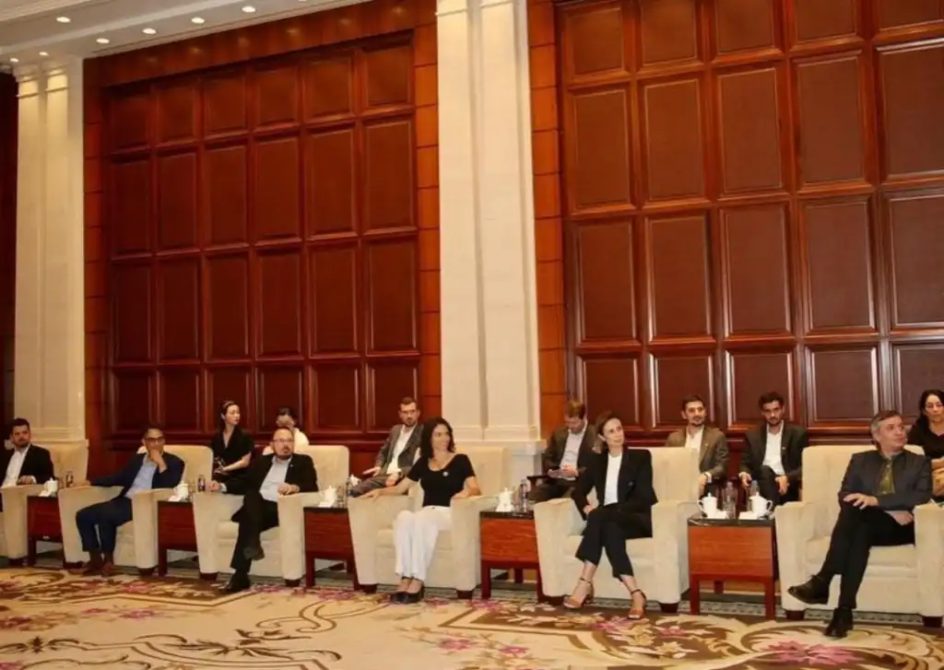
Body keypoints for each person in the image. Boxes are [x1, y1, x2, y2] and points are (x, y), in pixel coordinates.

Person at [787, 410, 931, 638]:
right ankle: (843, 611)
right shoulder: (860, 460)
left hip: (901, 528)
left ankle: (823, 581)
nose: (899, 432)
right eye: (891, 428)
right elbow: (845, 494)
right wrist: (889, 509)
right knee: (859, 527)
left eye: (901, 426)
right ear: (877, 436)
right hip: (870, 522)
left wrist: (877, 501)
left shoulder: (919, 462)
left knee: (857, 518)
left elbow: (920, 496)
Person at [361, 417, 480, 603]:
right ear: (429, 438)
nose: (444, 438)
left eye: (446, 434)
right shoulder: (423, 462)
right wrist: (379, 491)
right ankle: (405, 576)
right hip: (426, 513)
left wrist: (466, 492)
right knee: (404, 517)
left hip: (448, 513)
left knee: (424, 519)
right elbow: (400, 488)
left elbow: (476, 488)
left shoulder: (461, 460)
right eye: (438, 435)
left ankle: (418, 579)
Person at [564, 411, 656, 620]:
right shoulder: (597, 462)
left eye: (619, 429)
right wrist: (585, 507)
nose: (617, 434)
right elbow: (578, 492)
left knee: (600, 518)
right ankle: (636, 593)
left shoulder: (641, 458)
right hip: (608, 521)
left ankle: (584, 583)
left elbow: (644, 497)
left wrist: (605, 511)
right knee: (610, 530)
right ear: (602, 437)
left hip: (636, 518)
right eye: (611, 431)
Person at [208, 426, 318, 593]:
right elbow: (244, 481)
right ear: (272, 445)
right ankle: (246, 561)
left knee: (249, 512)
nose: (285, 445)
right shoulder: (261, 462)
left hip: (281, 509)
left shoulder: (303, 461)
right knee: (253, 497)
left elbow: (311, 486)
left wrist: (294, 487)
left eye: (289, 441)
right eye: (281, 441)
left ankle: (240, 574)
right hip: (258, 508)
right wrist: (222, 486)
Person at [74, 426, 184, 576]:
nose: (156, 444)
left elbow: (168, 486)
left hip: (144, 504)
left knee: (107, 515)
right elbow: (119, 477)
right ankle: (95, 559)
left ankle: (108, 561)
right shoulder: (137, 459)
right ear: (144, 442)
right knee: (83, 515)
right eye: (152, 440)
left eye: (160, 440)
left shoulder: (174, 462)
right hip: (125, 500)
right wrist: (91, 482)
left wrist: (161, 464)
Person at [739, 392, 809, 506]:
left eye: (776, 410)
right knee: (765, 471)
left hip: (787, 485)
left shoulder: (797, 434)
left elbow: (805, 466)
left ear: (783, 409)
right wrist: (744, 474)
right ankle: (772, 510)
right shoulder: (752, 435)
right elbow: (745, 463)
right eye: (768, 411)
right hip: (760, 484)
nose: (772, 415)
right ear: (762, 412)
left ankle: (770, 511)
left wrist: (787, 478)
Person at [351, 397, 422, 497]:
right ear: (400, 414)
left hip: (402, 478)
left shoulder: (423, 433)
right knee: (355, 483)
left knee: (357, 489)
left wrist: (399, 473)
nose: (409, 416)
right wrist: (378, 466)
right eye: (405, 412)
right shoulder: (395, 430)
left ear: (418, 413)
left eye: (412, 412)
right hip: (384, 473)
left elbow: (420, 463)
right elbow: (383, 452)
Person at [531, 399, 597, 502]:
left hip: (579, 483)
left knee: (567, 501)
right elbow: (548, 457)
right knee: (533, 497)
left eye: (574, 423)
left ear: (583, 418)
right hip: (557, 481)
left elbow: (597, 464)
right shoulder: (559, 433)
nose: (570, 427)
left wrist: (576, 472)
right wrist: (551, 470)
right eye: (567, 422)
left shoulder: (594, 435)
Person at [664, 395, 729, 495]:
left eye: (700, 409)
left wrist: (705, 476)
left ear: (705, 412)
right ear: (684, 415)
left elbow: (722, 467)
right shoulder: (674, 439)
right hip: (679, 491)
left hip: (708, 493)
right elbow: (666, 466)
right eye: (691, 411)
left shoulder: (716, 437)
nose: (697, 414)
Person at [0, 418, 54, 511]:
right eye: (17, 434)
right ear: (11, 437)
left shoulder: (41, 454)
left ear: (30, 435)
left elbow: (50, 477)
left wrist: (32, 479)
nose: (21, 436)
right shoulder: (4, 456)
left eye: (24, 433)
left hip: (18, 498)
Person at [905, 389, 944, 499]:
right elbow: (912, 464)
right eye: (930, 406)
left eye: (939, 405)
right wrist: (939, 463)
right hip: (928, 475)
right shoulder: (918, 431)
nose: (935, 409)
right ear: (924, 411)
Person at [210, 400, 255, 483]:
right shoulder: (217, 437)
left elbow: (245, 462)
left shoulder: (245, 436)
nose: (236, 416)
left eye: (238, 412)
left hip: (239, 476)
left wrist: (226, 469)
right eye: (232, 413)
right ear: (223, 416)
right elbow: (214, 458)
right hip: (221, 475)